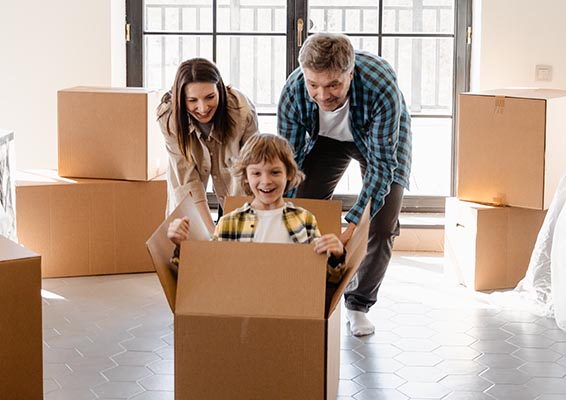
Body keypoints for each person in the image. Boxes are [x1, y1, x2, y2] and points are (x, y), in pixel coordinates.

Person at [277, 33, 412, 336]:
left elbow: (381, 168)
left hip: (378, 142)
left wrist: (351, 228)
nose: (323, 95)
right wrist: (277, 212)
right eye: (314, 85)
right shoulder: (294, 92)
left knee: (379, 224)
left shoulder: (380, 85)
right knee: (300, 204)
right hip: (325, 142)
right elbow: (288, 165)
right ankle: (307, 288)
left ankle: (357, 304)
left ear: (350, 74)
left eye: (333, 85)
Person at [167, 133, 346, 284]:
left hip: (289, 308)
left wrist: (336, 255)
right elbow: (209, 274)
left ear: (289, 174)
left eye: (275, 172)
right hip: (243, 308)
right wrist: (181, 246)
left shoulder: (304, 219)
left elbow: (322, 279)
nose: (266, 181)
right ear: (245, 177)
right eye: (256, 173)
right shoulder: (230, 223)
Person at [157, 58, 259, 234]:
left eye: (210, 97)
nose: (203, 108)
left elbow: (252, 167)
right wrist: (212, 232)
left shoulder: (242, 111)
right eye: (192, 100)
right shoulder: (169, 117)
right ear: (181, 99)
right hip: (187, 182)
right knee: (190, 234)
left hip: (235, 179)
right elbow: (188, 182)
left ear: (219, 89)